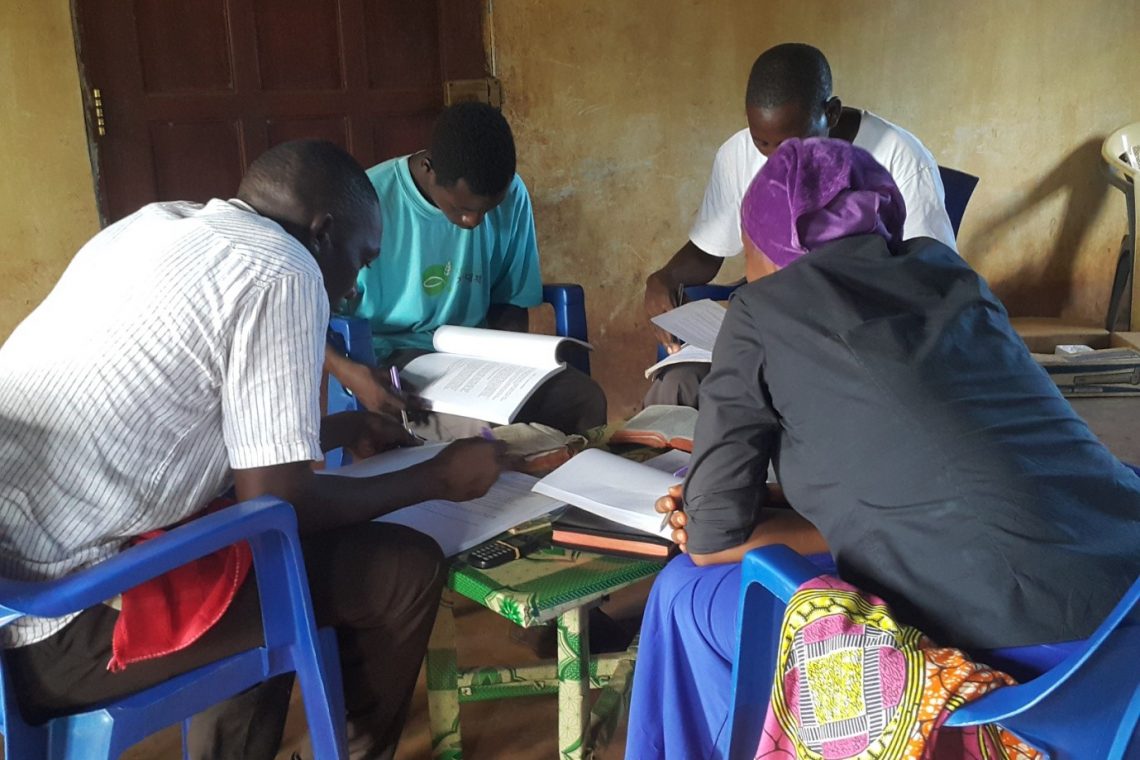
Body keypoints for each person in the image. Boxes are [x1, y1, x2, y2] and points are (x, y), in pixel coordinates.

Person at [626, 138, 1140, 759]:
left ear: (761, 244)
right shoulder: (950, 274)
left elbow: (710, 542)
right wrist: (773, 511)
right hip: (1122, 607)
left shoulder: (759, 309)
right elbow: (933, 475)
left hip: (1030, 642)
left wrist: (722, 519)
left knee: (684, 590)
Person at [0, 140, 509, 760]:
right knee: (400, 571)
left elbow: (180, 434)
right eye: (360, 259)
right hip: (57, 627)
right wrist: (438, 477)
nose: (353, 288)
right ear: (322, 232)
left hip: (19, 585)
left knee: (273, 563)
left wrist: (340, 432)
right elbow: (279, 504)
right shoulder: (284, 270)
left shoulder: (153, 224)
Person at [643, 42, 957, 409]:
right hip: (770, 325)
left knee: (776, 402)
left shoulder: (899, 158)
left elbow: (929, 281)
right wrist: (664, 278)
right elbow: (708, 249)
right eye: (762, 142)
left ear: (831, 113)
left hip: (857, 334)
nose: (778, 160)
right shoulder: (737, 153)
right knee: (679, 385)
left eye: (793, 143)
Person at [325, 101, 607, 438]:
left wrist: (511, 368)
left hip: (475, 355)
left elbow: (510, 302)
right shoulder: (365, 201)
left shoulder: (513, 195)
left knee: (584, 399)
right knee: (487, 431)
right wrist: (350, 372)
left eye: (487, 210)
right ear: (428, 168)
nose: (473, 221)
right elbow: (305, 316)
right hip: (391, 358)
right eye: (461, 208)